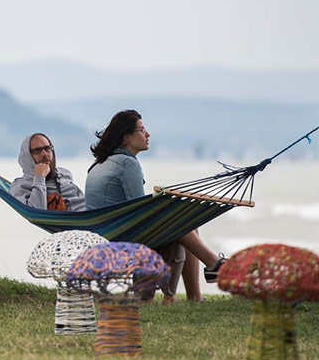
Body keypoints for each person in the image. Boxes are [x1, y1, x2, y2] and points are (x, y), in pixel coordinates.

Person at [85, 110, 226, 302]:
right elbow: (141, 211)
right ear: (126, 137)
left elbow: (129, 207)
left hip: (105, 234)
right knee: (183, 220)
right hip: (122, 238)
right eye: (142, 130)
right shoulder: (127, 164)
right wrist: (164, 206)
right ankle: (208, 271)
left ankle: (205, 277)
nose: (147, 134)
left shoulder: (99, 164)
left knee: (181, 220)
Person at [10, 133, 85, 212]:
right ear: (27, 157)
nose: (44, 154)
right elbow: (37, 212)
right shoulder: (20, 186)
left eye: (47, 148)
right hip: (75, 220)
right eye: (37, 150)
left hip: (91, 215)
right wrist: (39, 177)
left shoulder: (64, 174)